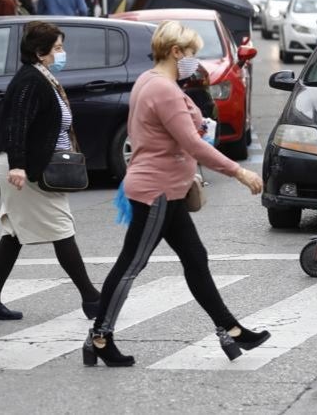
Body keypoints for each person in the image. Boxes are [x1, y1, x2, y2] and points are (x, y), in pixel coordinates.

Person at [86, 21, 267, 367]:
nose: (194, 60)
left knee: (195, 259)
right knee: (131, 265)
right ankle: (100, 336)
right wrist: (239, 171)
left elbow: (188, 122)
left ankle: (231, 329)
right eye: (191, 53)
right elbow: (193, 144)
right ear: (175, 52)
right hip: (157, 192)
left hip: (167, 190)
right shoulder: (163, 89)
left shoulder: (152, 81)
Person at [0, 21, 102, 321]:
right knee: (61, 229)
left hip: (32, 165)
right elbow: (16, 125)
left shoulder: (41, 78)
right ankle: (93, 300)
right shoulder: (30, 82)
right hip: (28, 169)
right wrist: (18, 165)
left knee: (15, 234)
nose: (62, 53)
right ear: (39, 52)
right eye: (57, 48)